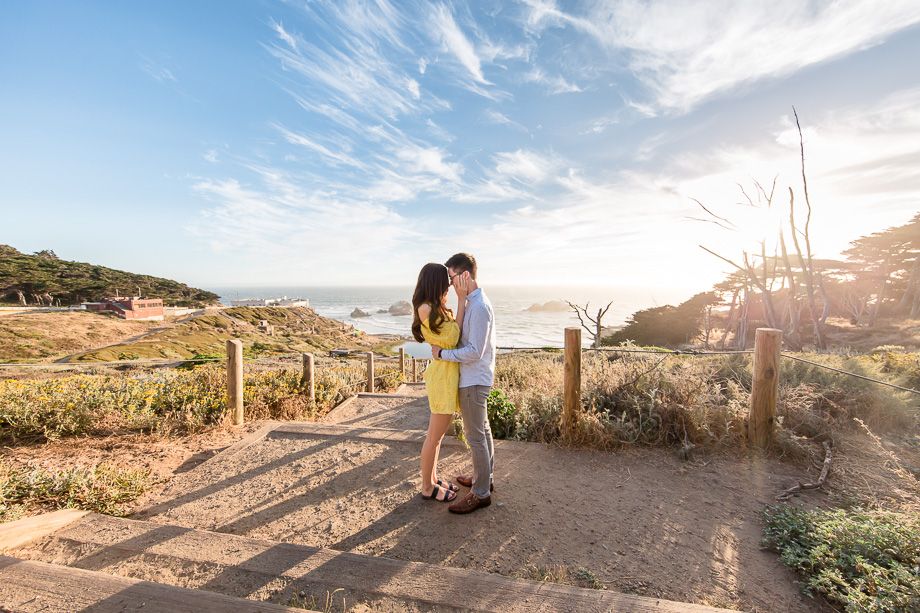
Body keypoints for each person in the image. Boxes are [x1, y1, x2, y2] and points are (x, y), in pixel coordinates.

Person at [431, 252, 496, 514]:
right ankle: (485, 479)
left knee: (475, 436)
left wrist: (443, 354)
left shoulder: (478, 306)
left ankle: (480, 494)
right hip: (476, 378)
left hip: (473, 379)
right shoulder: (473, 302)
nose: (449, 283)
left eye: (452, 277)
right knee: (484, 431)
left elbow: (474, 350)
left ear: (465, 275)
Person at [411, 263, 465, 502]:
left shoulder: (435, 307)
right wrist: (461, 301)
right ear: (435, 281)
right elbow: (454, 337)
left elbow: (451, 336)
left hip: (445, 373)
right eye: (446, 280)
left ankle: (432, 480)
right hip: (442, 377)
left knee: (438, 436)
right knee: (433, 436)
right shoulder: (426, 308)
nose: (449, 284)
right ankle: (426, 487)